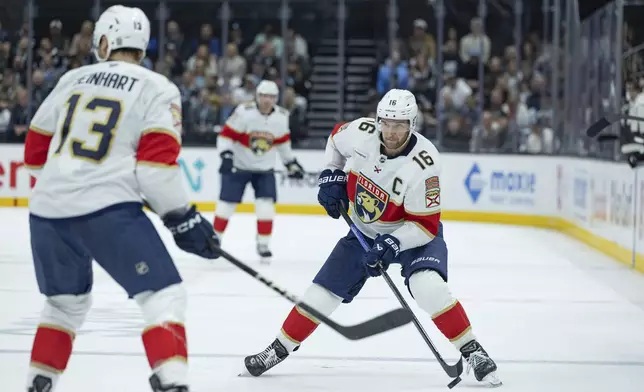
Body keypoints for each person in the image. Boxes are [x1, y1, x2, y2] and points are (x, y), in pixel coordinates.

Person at [241, 89, 502, 386]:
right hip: (365, 232)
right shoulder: (361, 132)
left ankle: (472, 349)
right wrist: (331, 173)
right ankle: (278, 348)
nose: (391, 132)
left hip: (413, 235)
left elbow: (425, 225)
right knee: (319, 295)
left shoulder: (425, 164)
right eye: (386, 122)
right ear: (378, 119)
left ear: (412, 124)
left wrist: (392, 243)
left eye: (400, 124)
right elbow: (335, 141)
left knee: (427, 286)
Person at [22, 5, 220, 392]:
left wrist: (67, 183)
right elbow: (154, 170)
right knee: (163, 295)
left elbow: (33, 154)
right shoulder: (157, 87)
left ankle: (38, 381)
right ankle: (172, 381)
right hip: (107, 213)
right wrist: (182, 217)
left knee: (64, 305)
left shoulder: (72, 79)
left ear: (104, 41)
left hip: (46, 212)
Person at [214, 79, 304, 263]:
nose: (267, 100)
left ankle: (263, 244)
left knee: (266, 209)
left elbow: (283, 144)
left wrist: (291, 163)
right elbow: (226, 136)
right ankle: (214, 240)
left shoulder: (281, 116)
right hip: (238, 166)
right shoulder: (244, 112)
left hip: (264, 170)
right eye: (263, 96)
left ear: (276, 98)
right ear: (257, 96)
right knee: (225, 207)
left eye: (271, 97)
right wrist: (225, 155)